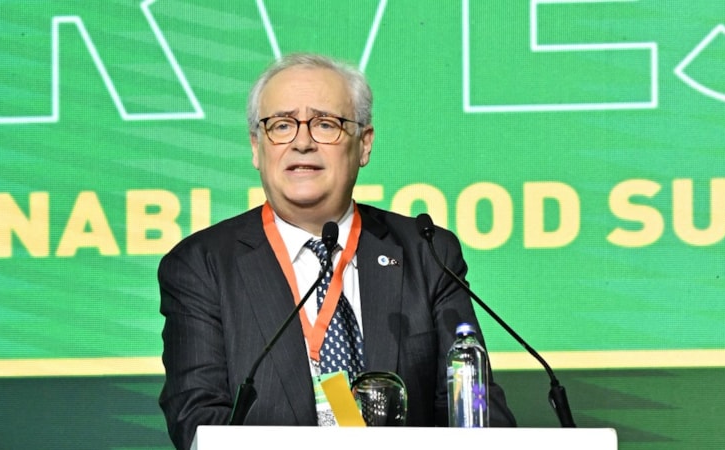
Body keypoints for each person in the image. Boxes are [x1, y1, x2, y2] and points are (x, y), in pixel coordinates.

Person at [158, 52, 516, 449]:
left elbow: (475, 414)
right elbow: (198, 420)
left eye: (326, 124)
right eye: (282, 125)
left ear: (364, 145)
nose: (302, 143)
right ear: (257, 148)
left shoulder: (427, 254)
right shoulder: (203, 265)